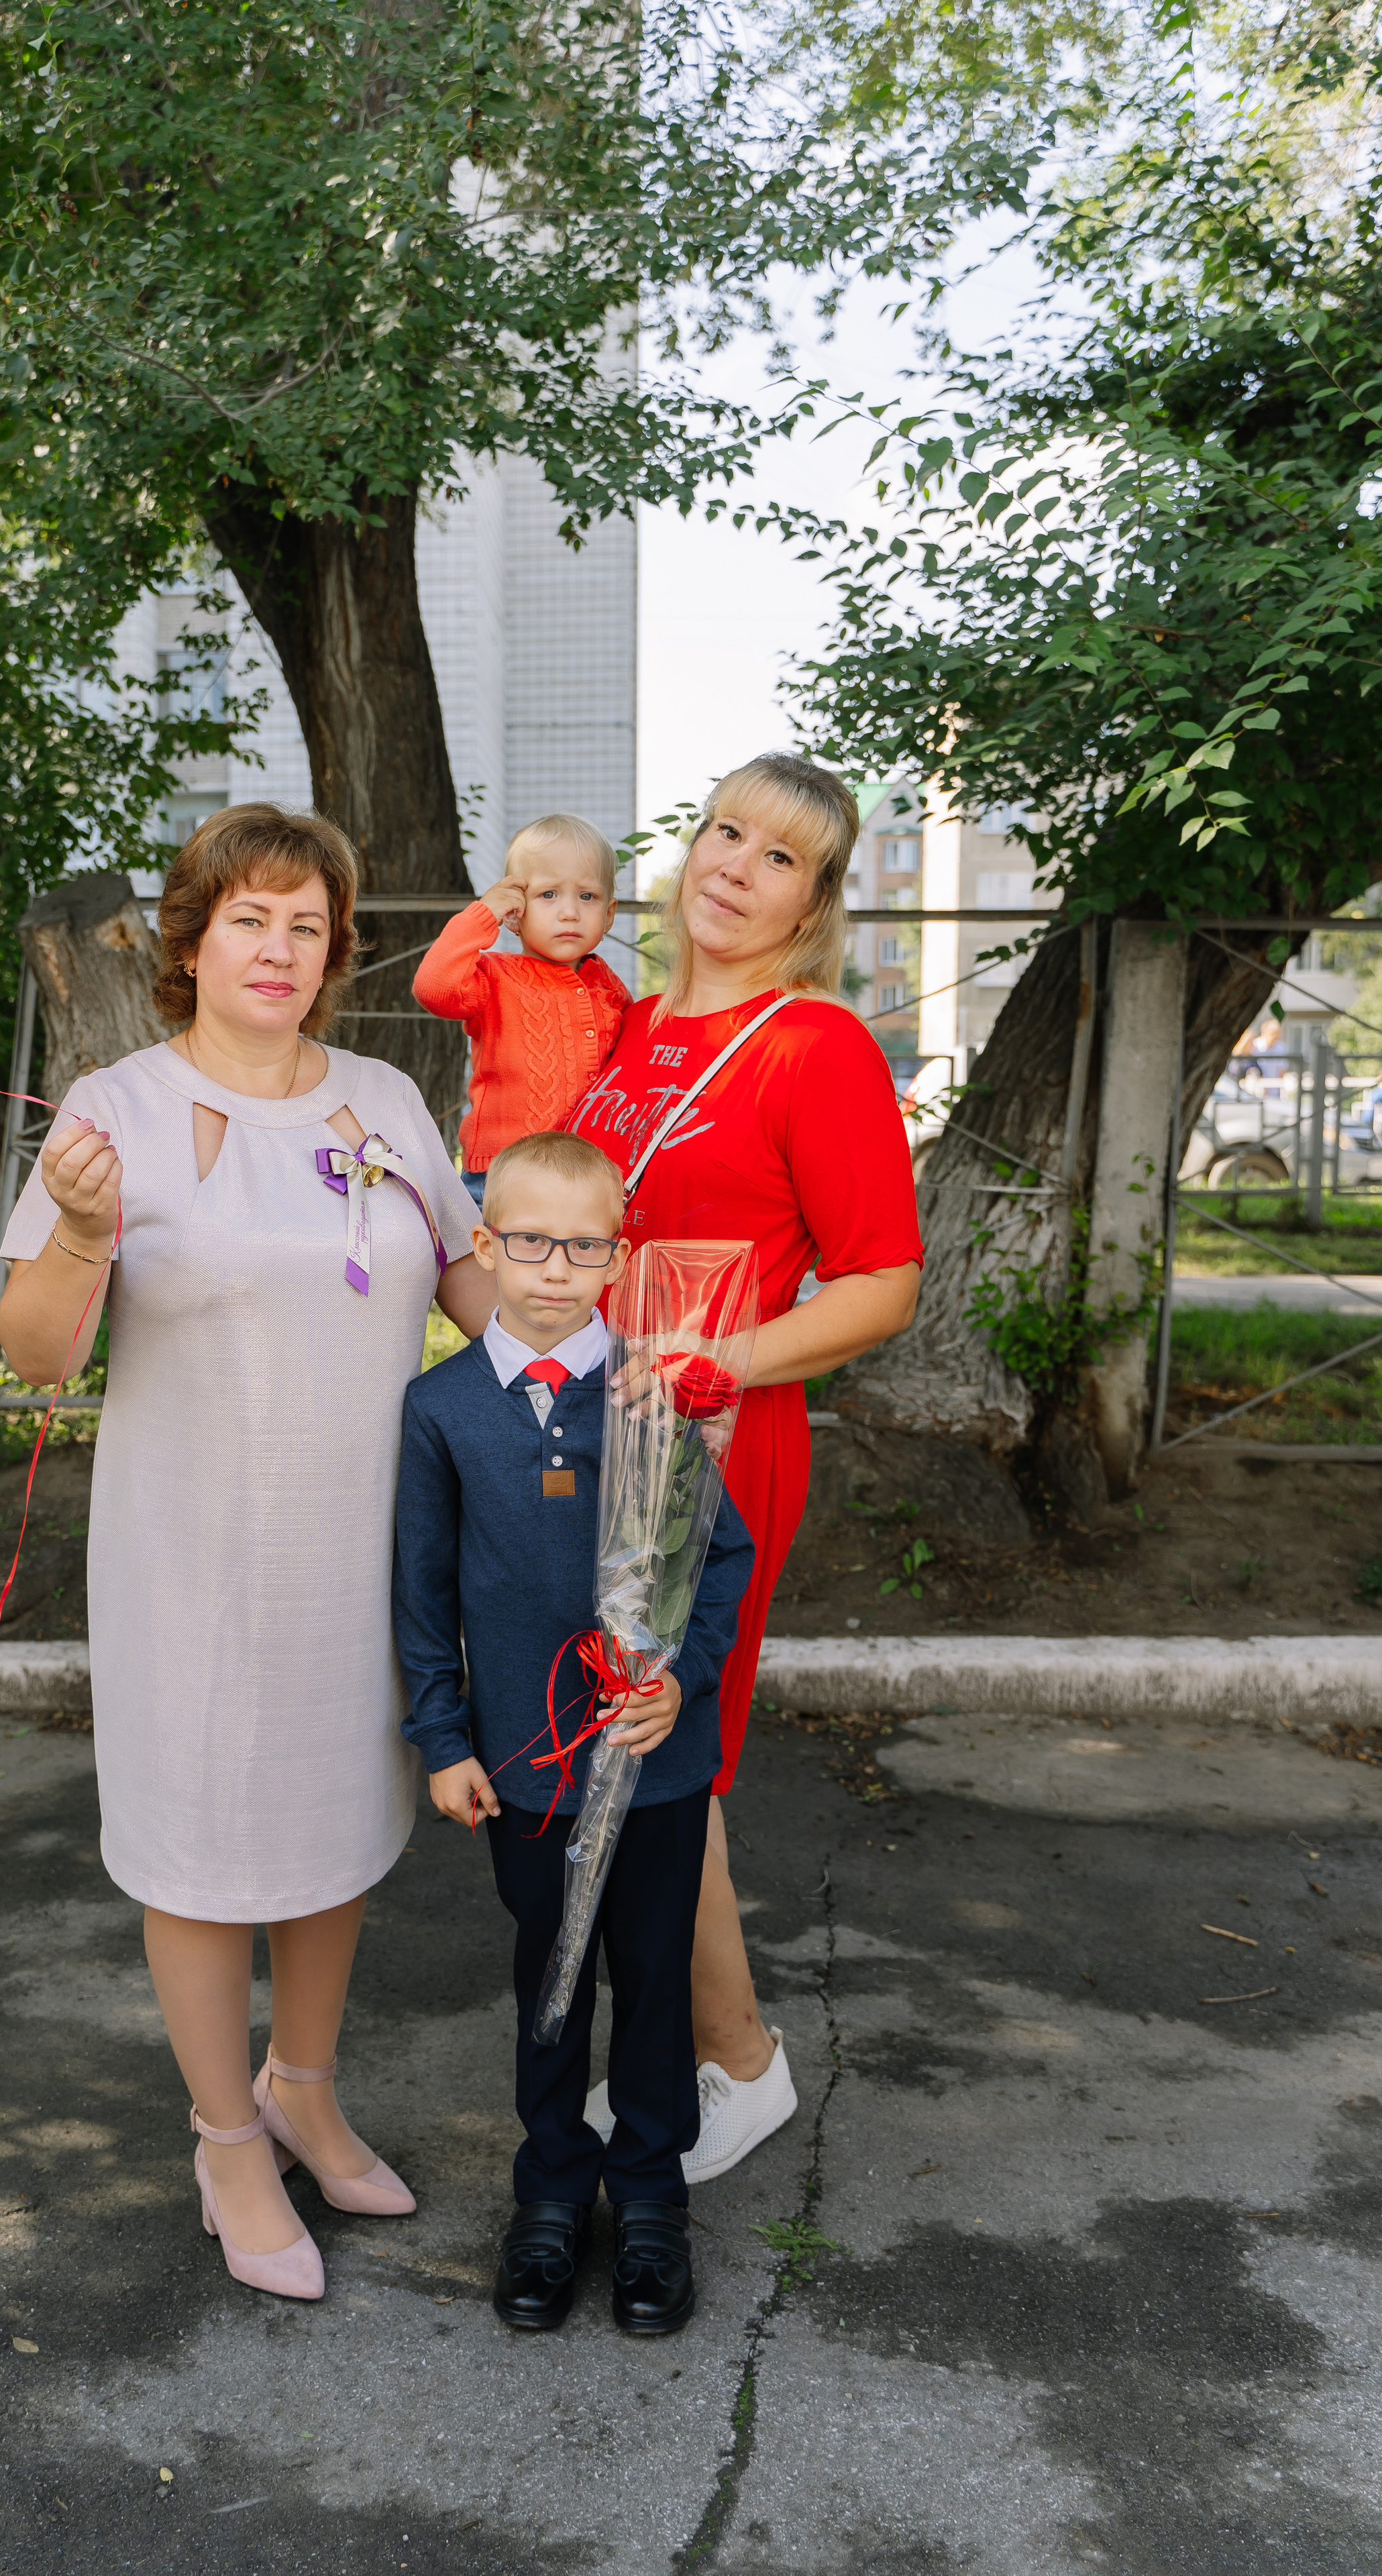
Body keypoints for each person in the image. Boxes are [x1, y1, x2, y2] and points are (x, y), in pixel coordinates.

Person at [0, 804, 496, 2305]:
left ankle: (306, 2088)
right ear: (191, 940)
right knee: (207, 1852)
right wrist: (81, 1238)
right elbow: (30, 1355)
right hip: (189, 1560)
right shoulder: (114, 1109)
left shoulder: (391, 1103)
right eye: (247, 920)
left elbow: (473, 1277)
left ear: (336, 951)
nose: (278, 949)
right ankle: (225, 2138)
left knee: (334, 1830)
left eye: (306, 925)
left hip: (360, 1549)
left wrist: (609, 1363)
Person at [564, 753, 924, 2183]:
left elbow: (881, 1281)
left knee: (666, 1751)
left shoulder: (813, 1045)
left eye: (779, 857)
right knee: (610, 1736)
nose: (734, 865)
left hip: (714, 1437)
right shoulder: (622, 1026)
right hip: (592, 1422)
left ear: (815, 900)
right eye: (722, 832)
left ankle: (737, 2061)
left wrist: (728, 1361)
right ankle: (680, 2046)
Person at [392, 1130, 753, 2334]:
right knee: (551, 1978)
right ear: (486, 1245)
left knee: (652, 1980)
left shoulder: (657, 1390)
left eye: (584, 1245)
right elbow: (422, 1589)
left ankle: (649, 2196)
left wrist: (680, 1684)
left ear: (619, 1255)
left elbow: (724, 1561)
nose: (555, 1267)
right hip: (527, 1765)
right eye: (530, 1241)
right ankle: (549, 2189)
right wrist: (444, 1739)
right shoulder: (440, 1408)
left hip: (654, 1762)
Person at [412, 815, 631, 1208]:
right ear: (514, 912)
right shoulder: (494, 977)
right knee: (494, 1269)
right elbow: (434, 988)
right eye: (549, 895)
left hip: (591, 1178)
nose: (570, 913)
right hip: (502, 1175)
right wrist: (483, 915)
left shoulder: (608, 987)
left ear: (610, 913)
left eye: (587, 897)